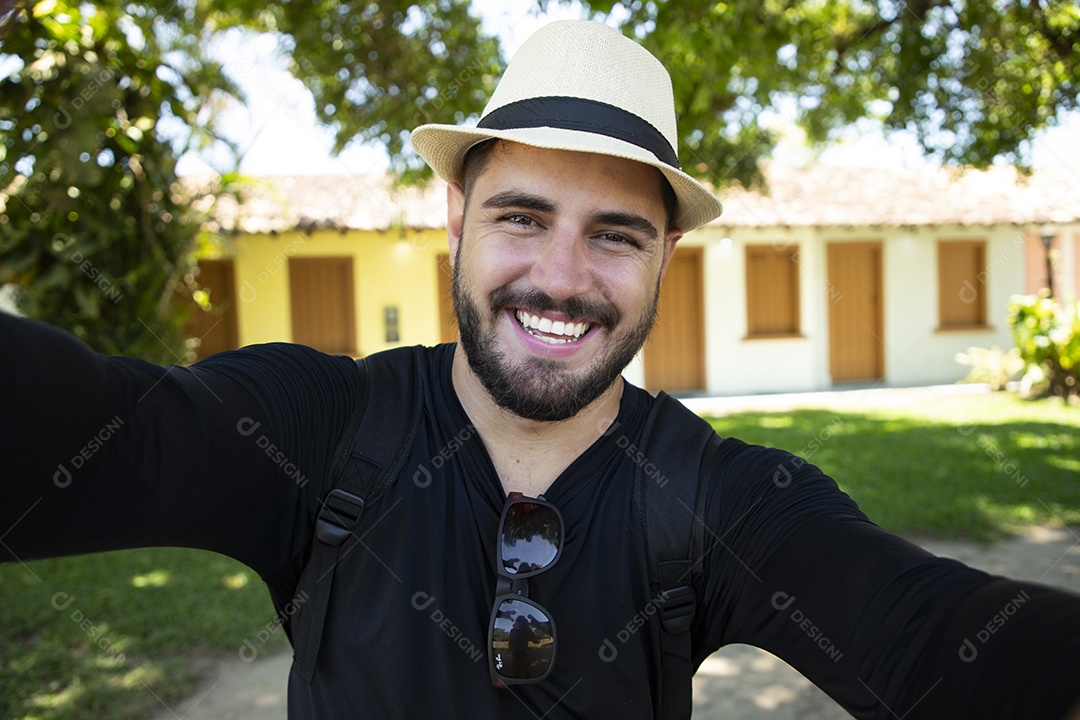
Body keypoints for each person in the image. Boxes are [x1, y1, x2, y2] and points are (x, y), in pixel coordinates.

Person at [2, 19, 1079, 720]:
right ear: (457, 224)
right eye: (523, 217)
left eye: (615, 234)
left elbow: (937, 639)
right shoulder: (314, 430)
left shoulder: (725, 500)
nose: (560, 279)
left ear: (666, 259)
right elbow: (81, 436)